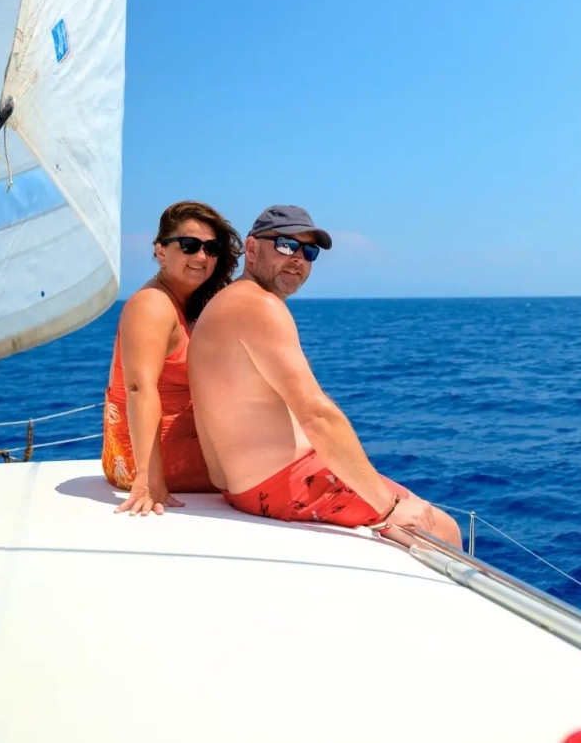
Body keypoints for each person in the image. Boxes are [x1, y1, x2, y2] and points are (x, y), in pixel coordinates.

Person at [188, 204, 462, 546]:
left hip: (247, 488)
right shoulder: (259, 306)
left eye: (309, 251)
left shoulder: (229, 301)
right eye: (286, 245)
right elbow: (316, 415)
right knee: (442, 527)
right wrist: (389, 507)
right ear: (253, 248)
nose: (298, 259)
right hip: (279, 485)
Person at [103, 200, 241, 516]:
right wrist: (147, 480)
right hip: (156, 461)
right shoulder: (151, 305)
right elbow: (139, 388)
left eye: (211, 248)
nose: (202, 256)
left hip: (180, 448)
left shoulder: (187, 304)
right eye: (189, 245)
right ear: (160, 251)